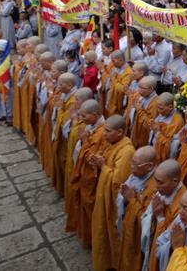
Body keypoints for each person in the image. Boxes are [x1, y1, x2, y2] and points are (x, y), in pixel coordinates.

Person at [92, 115, 135, 271]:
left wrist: (102, 166)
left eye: (108, 131)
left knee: (112, 233)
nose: (104, 134)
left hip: (114, 202)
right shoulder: (113, 143)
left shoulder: (127, 150)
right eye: (104, 130)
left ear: (120, 132)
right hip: (104, 195)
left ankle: (115, 264)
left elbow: (118, 182)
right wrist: (99, 161)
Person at [66, 99, 107, 247]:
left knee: (91, 208)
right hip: (84, 174)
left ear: (95, 115)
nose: (82, 119)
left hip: (93, 179)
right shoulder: (91, 126)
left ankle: (93, 240)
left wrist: (84, 141)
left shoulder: (103, 132)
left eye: (84, 116)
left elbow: (93, 159)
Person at [117, 146, 159, 271]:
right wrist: (124, 198)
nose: (131, 166)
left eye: (135, 164)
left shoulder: (156, 186)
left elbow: (148, 222)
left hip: (139, 238)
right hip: (128, 227)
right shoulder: (136, 175)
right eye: (132, 161)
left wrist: (131, 199)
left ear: (149, 166)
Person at [140, 159, 186, 271]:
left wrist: (160, 217)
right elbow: (145, 218)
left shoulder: (183, 206)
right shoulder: (162, 193)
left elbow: (169, 241)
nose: (156, 186)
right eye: (155, 181)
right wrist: (153, 216)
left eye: (160, 183)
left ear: (175, 181)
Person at [51, 72, 78, 196]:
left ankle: (65, 190)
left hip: (65, 140)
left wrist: (60, 109)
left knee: (64, 162)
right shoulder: (65, 94)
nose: (58, 86)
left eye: (61, 84)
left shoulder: (73, 100)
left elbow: (65, 124)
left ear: (70, 85)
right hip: (61, 137)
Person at [151, 92, 185, 162]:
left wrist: (157, 132)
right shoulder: (162, 114)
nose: (158, 111)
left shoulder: (177, 121)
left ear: (170, 107)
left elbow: (169, 145)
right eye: (157, 107)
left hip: (165, 159)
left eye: (161, 108)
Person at [130, 76, 160, 149]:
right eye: (139, 87)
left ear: (151, 89)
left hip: (143, 137)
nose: (139, 90)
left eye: (142, 88)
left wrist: (139, 110)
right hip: (134, 131)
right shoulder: (139, 95)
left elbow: (149, 124)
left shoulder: (156, 103)